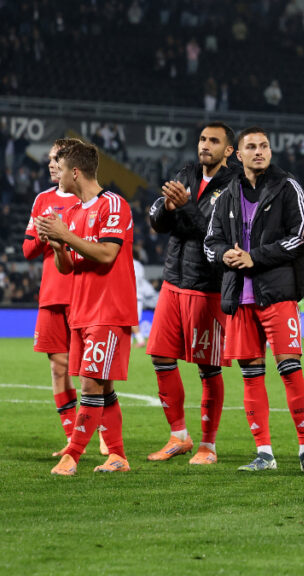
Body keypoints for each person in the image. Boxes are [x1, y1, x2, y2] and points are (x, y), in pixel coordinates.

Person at [204, 126, 304, 474]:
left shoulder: (287, 187)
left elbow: (303, 234)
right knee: (251, 375)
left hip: (277, 295)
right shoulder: (227, 193)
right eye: (251, 147)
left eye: (265, 146)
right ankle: (264, 453)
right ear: (237, 155)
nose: (259, 151)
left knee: (290, 369)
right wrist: (225, 255)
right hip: (240, 298)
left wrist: (256, 257)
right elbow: (211, 241)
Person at [40, 142, 135, 475]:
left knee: (91, 385)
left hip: (108, 310)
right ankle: (118, 457)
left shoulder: (114, 205)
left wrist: (65, 234)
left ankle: (73, 456)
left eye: (61, 168)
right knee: (104, 387)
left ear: (75, 172)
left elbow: (108, 254)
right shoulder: (75, 213)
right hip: (81, 311)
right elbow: (69, 268)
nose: (57, 174)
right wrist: (57, 247)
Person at [146, 121, 238, 465]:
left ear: (228, 150)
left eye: (214, 141)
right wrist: (168, 209)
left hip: (207, 286)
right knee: (160, 357)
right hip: (173, 280)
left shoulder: (234, 185)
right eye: (202, 139)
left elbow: (213, 233)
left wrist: (184, 207)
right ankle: (179, 435)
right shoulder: (186, 173)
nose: (205, 145)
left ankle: (208, 446)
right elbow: (157, 221)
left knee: (208, 368)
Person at [23, 137, 110, 458]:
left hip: (82, 291)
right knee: (58, 367)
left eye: (55, 158)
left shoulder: (87, 200)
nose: (49, 163)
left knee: (92, 370)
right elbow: (28, 249)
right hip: (51, 292)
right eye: (48, 158)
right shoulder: (42, 199)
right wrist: (46, 235)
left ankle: (102, 433)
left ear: (71, 165)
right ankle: (73, 435)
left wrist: (64, 234)